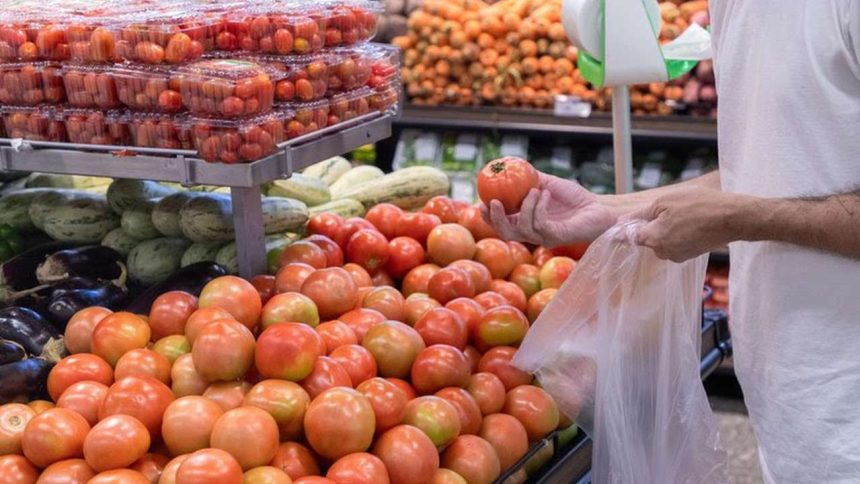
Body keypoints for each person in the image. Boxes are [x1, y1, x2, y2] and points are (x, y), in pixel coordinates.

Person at [482, 1, 860, 482]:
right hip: (793, 403)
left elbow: (756, 202)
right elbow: (768, 169)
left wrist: (742, 219)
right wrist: (606, 211)